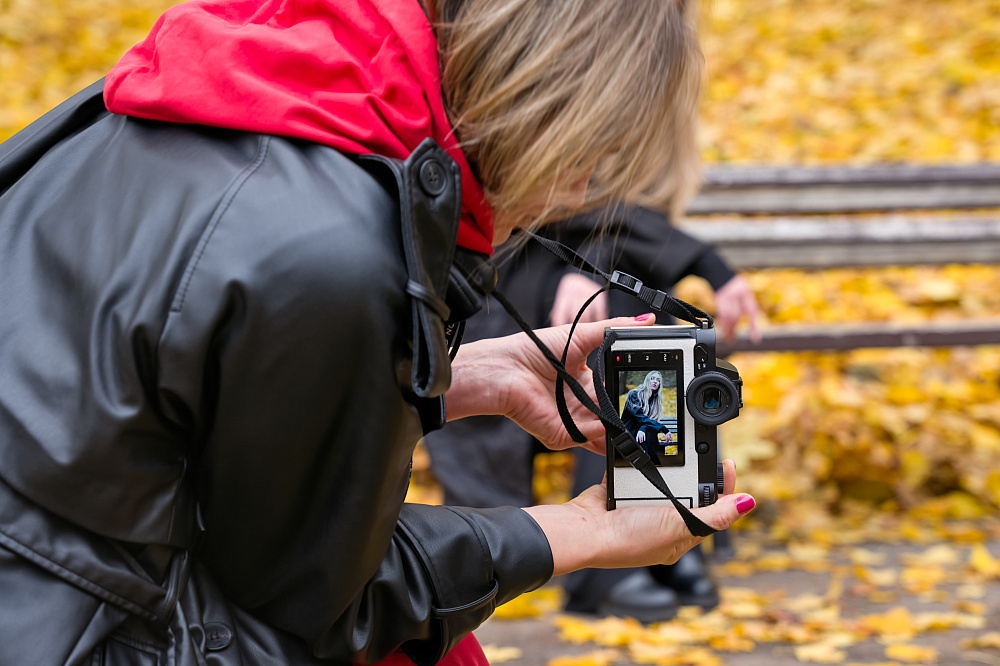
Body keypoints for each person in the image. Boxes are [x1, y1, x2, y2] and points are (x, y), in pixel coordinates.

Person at [0, 1, 755, 665]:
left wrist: (449, 380)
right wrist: (573, 534)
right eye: (592, 149)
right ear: (540, 95)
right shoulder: (337, 246)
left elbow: (153, 410)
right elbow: (316, 619)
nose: (585, 188)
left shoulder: (220, 88)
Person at [423, 204, 761, 623]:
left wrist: (591, 268)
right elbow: (575, 205)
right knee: (614, 316)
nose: (586, 179)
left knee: (626, 310)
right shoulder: (561, 168)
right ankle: (611, 563)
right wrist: (594, 270)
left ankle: (662, 523)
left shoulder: (623, 169)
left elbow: (609, 212)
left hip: (573, 263)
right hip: (502, 280)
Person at [620, 371, 675, 461]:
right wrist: (663, 429)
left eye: (658, 380)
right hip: (629, 431)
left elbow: (649, 420)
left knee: (648, 433)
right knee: (648, 435)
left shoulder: (654, 400)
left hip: (643, 432)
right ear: (647, 380)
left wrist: (642, 429)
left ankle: (650, 462)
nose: (655, 381)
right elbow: (638, 416)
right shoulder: (634, 394)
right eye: (652, 378)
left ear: (660, 384)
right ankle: (654, 462)